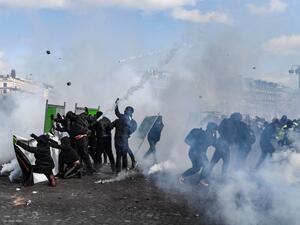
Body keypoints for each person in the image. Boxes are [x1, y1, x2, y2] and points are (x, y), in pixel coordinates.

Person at [56, 111, 94, 175]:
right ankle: (80, 169)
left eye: (69, 116)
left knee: (84, 154)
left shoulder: (79, 118)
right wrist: (57, 122)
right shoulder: (73, 121)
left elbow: (88, 129)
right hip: (77, 140)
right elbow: (65, 125)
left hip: (82, 139)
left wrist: (84, 135)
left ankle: (90, 169)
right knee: (78, 155)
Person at [112, 99, 137, 173]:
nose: (125, 111)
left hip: (122, 138)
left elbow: (134, 128)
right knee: (124, 153)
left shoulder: (131, 120)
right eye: (126, 109)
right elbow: (117, 112)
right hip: (123, 139)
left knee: (122, 154)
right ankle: (124, 169)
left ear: (130, 112)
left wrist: (129, 133)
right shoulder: (125, 117)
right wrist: (116, 104)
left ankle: (122, 169)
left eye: (127, 110)